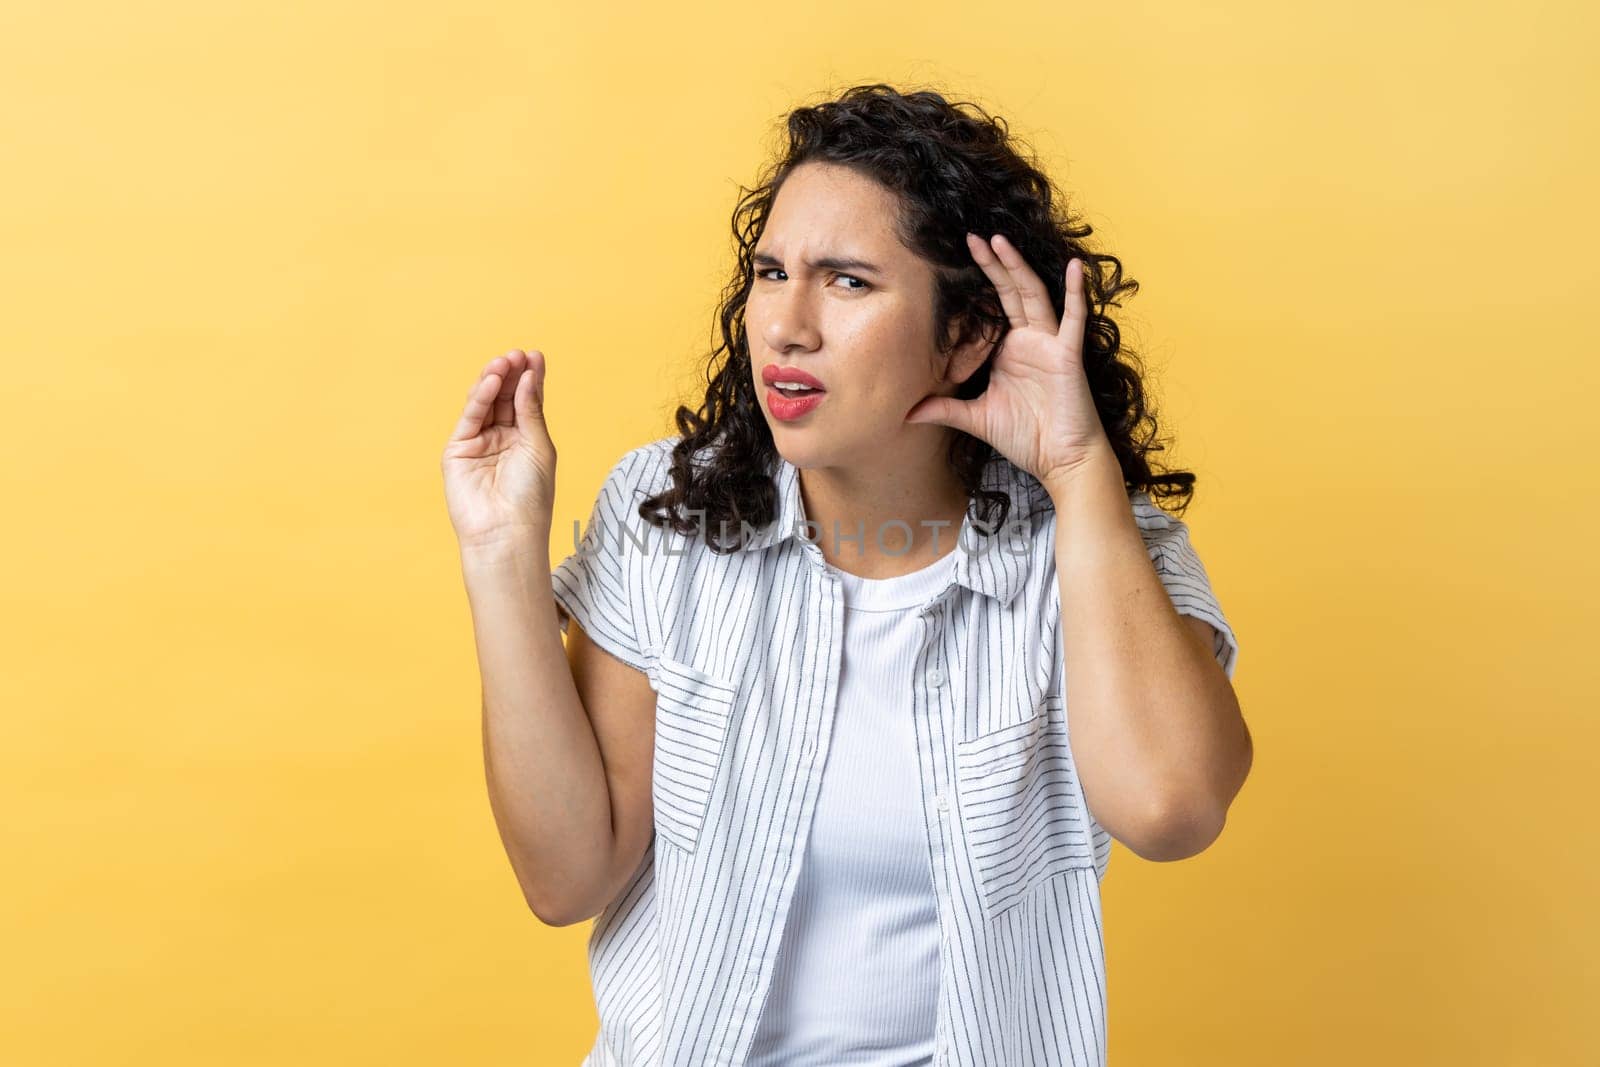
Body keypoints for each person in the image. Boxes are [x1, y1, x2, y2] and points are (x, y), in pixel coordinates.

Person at [442, 83, 1251, 1067]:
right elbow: (565, 877)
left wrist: (1077, 472)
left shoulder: (1100, 548)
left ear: (965, 335)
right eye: (771, 271)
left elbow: (1170, 809)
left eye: (849, 282)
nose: (786, 324)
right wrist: (499, 556)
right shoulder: (667, 511)